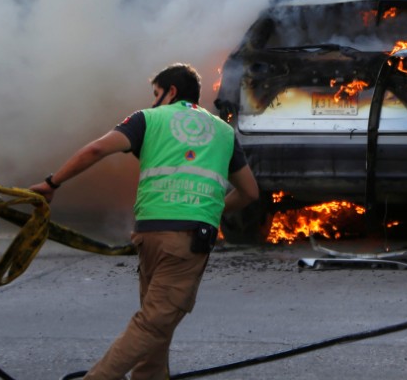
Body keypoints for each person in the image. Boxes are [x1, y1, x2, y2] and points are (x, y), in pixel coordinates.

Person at [31, 63, 259, 380]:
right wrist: (208, 209)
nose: (153, 101)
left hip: (149, 235)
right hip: (188, 239)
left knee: (156, 321)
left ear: (171, 92)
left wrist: (52, 183)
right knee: (154, 322)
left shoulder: (147, 119)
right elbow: (249, 192)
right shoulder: (222, 131)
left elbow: (97, 149)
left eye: (156, 94)